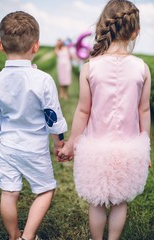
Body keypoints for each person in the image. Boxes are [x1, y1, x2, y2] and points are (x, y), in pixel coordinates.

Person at [58, 0, 151, 239]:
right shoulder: (142, 68)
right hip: (129, 149)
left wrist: (70, 144)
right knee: (120, 201)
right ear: (136, 31)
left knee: (97, 202)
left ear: (103, 26)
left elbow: (82, 112)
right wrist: (145, 147)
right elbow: (143, 111)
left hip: (95, 148)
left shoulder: (91, 67)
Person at [0, 11, 68, 240]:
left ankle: (14, 236)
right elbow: (52, 116)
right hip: (34, 149)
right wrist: (59, 144)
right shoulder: (43, 80)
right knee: (46, 189)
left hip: (8, 147)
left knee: (9, 192)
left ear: (0, 45)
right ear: (36, 46)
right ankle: (28, 237)